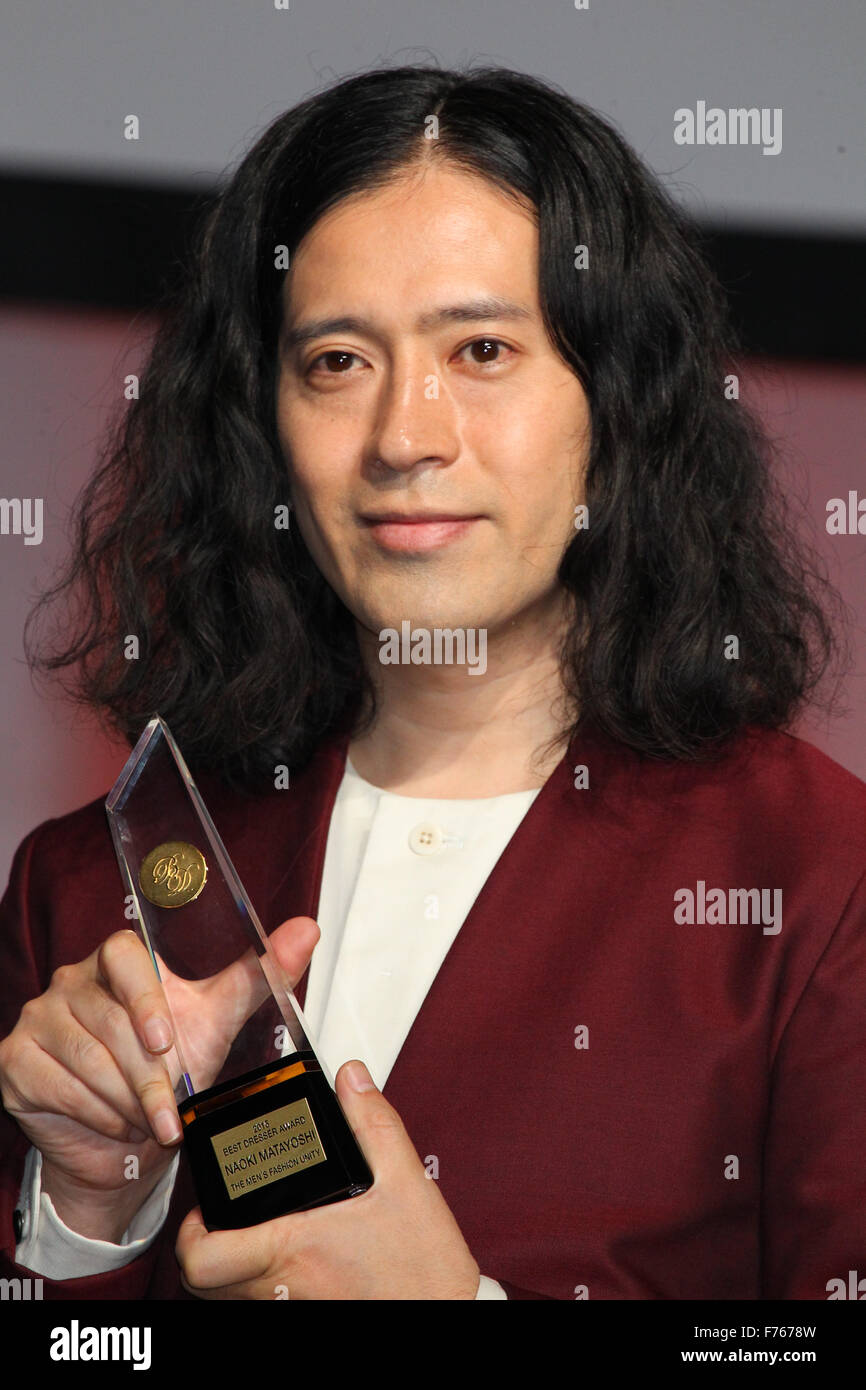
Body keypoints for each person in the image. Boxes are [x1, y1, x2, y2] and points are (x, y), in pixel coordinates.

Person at [1, 62, 864, 1301]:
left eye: (481, 348)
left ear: (615, 416)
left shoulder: (817, 886)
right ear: (264, 431)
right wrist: (89, 1206)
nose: (406, 433)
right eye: (338, 360)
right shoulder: (97, 883)